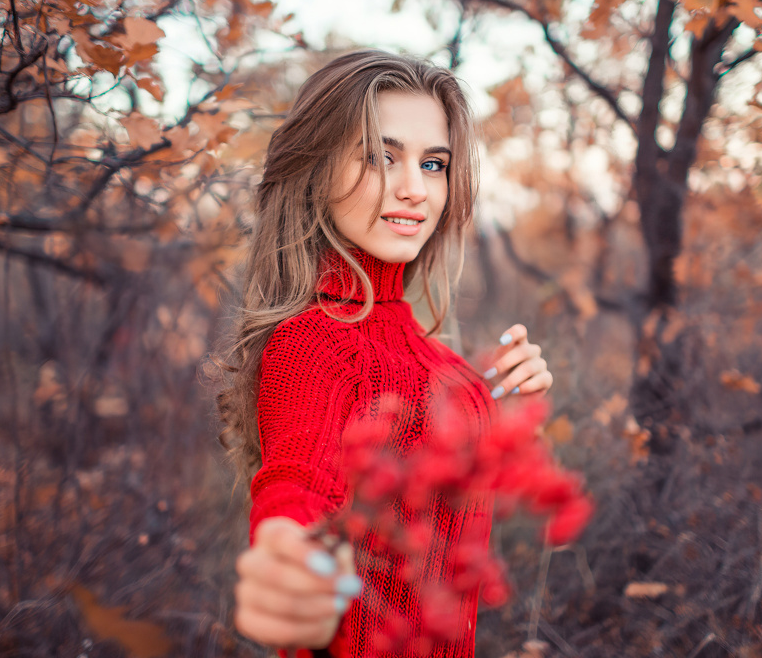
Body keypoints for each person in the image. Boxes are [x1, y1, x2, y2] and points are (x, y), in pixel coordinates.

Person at [218, 50, 553, 657]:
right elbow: (296, 484)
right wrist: (287, 558)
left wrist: (492, 397)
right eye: (380, 156)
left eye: (433, 164)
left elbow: (430, 508)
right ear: (316, 169)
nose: (413, 189)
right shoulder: (310, 342)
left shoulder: (425, 352)